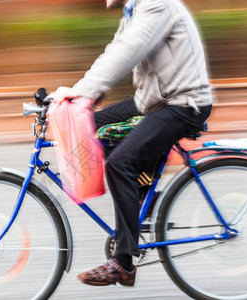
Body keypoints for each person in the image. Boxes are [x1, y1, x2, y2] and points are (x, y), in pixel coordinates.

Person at [51, 0, 212, 286]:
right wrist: (81, 98)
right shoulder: (135, 9)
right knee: (91, 124)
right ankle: (141, 198)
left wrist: (83, 92)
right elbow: (116, 50)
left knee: (120, 164)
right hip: (156, 102)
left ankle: (124, 262)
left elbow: (127, 52)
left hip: (183, 104)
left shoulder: (156, 4)